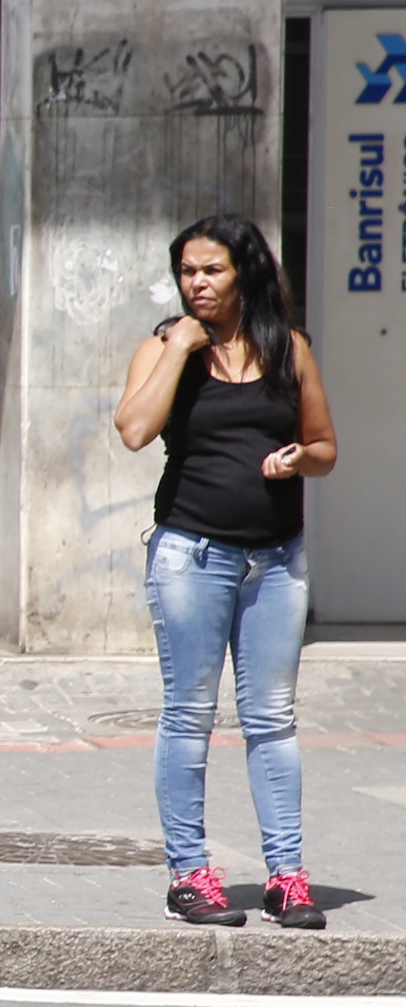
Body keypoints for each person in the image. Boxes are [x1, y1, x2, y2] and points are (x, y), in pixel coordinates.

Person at [113, 212, 338, 930]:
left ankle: (287, 878)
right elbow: (134, 429)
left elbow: (326, 445)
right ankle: (190, 875)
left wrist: (301, 459)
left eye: (211, 270)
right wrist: (179, 347)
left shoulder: (288, 349)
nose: (197, 284)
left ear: (245, 272)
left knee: (272, 720)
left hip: (276, 560)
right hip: (192, 555)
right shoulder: (167, 344)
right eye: (186, 272)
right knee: (189, 715)